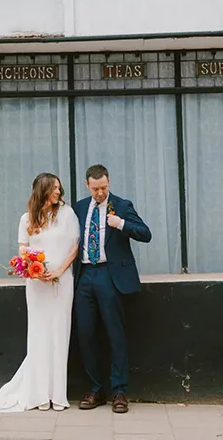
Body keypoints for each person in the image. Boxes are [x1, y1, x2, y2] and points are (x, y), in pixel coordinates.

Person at [0, 172, 80, 412]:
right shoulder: (26, 219)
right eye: (54, 189)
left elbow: (74, 246)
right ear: (43, 190)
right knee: (39, 334)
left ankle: (58, 395)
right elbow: (23, 249)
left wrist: (59, 270)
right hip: (37, 284)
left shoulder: (67, 214)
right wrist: (33, 269)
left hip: (62, 281)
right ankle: (39, 394)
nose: (59, 192)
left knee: (60, 333)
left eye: (60, 188)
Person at [72, 164, 152, 414]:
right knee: (85, 334)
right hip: (84, 275)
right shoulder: (79, 207)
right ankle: (96, 389)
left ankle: (119, 391)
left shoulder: (122, 204)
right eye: (95, 189)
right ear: (87, 185)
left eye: (104, 188)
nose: (100, 193)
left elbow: (145, 234)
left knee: (115, 334)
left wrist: (121, 224)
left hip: (110, 275)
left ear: (109, 183)